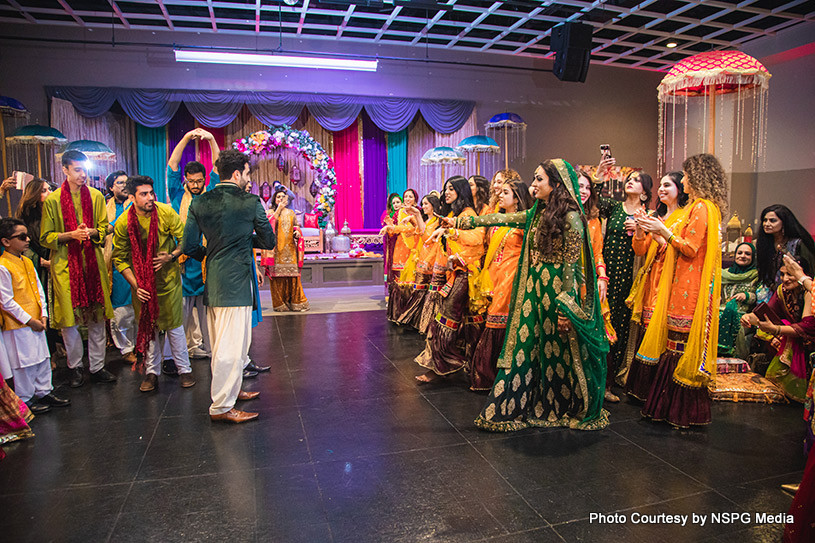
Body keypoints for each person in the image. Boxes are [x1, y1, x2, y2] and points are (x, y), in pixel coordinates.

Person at [448, 159, 609, 431]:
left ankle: (560, 405)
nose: (533, 185)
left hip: (557, 296)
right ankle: (516, 403)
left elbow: (572, 268)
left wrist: (565, 309)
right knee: (527, 346)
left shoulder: (571, 219)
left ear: (556, 184)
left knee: (557, 351)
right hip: (533, 291)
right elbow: (504, 218)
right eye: (534, 179)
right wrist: (468, 221)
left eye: (539, 180)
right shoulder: (538, 212)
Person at [182, 149, 276, 424]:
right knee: (231, 348)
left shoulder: (199, 203)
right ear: (237, 174)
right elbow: (268, 241)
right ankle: (222, 407)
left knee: (229, 343)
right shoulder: (249, 202)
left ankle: (231, 392)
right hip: (236, 283)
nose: (248, 179)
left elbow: (189, 246)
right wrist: (245, 241)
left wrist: (211, 254)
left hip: (213, 280)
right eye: (247, 174)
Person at [635, 153, 727, 428]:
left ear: (697, 177)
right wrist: (656, 231)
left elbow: (690, 247)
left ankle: (679, 411)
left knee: (679, 345)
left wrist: (663, 230)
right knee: (675, 344)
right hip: (682, 281)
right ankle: (675, 410)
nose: (684, 179)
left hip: (688, 286)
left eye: (686, 175)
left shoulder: (702, 208)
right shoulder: (696, 208)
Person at [40, 150, 116, 388]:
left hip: (92, 263)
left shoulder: (95, 196)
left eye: (85, 170)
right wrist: (70, 235)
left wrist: (93, 232)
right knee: (69, 321)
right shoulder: (52, 201)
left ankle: (97, 366)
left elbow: (104, 229)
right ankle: (75, 367)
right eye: (77, 170)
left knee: (96, 316)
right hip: (65, 265)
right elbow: (45, 237)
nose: (83, 175)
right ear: (65, 170)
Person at [112, 176, 194, 392]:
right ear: (132, 198)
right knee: (149, 329)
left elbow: (185, 239)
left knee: (175, 328)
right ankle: (151, 372)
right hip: (142, 287)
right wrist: (136, 285)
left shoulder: (165, 212)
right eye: (143, 194)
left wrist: (172, 256)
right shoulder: (123, 223)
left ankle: (184, 370)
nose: (150, 198)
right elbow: (119, 258)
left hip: (169, 283)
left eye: (151, 193)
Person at [624, 171, 688, 401]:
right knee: (647, 327)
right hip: (652, 278)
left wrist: (661, 235)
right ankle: (644, 389)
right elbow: (640, 250)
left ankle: (660, 393)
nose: (661, 189)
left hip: (672, 280)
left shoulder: (685, 217)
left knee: (663, 332)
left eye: (667, 185)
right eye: (660, 185)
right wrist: (641, 229)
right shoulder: (655, 215)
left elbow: (683, 249)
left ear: (680, 189)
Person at [415, 176, 485, 383]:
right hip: (452, 273)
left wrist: (452, 233)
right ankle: (448, 364)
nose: (447, 193)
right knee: (450, 319)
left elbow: (477, 240)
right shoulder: (453, 214)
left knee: (445, 319)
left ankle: (443, 366)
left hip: (467, 273)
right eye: (446, 189)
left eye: (452, 189)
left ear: (461, 192)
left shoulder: (469, 214)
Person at [593, 158, 653, 391]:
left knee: (624, 323)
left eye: (637, 180)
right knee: (606, 319)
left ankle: (617, 375)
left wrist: (640, 229)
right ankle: (601, 375)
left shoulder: (650, 215)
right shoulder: (615, 208)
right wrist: (599, 173)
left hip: (632, 273)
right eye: (629, 179)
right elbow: (593, 199)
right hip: (608, 271)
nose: (631, 182)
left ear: (645, 193)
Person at [0, 218, 70, 414]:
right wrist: (29, 320)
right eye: (22, 237)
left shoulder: (28, 261)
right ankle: (26, 398)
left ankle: (44, 390)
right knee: (24, 363)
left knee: (41, 357)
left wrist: (44, 315)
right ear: (6, 241)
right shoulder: (3, 266)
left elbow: (39, 290)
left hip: (37, 319)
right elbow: (6, 301)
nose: (27, 240)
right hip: (19, 324)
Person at [469, 179, 532, 391]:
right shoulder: (500, 220)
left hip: (512, 277)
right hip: (494, 276)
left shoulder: (523, 222)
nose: (501, 196)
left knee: (499, 321)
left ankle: (494, 375)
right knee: (492, 318)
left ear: (517, 198)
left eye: (506, 192)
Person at [168, 128, 220, 360]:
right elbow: (172, 165)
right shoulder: (178, 195)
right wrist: (186, 137)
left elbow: (218, 167)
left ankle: (213, 352)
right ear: (185, 181)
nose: (196, 185)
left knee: (209, 317)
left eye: (199, 181)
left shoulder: (211, 195)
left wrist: (211, 140)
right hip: (183, 264)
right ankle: (179, 357)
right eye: (192, 181)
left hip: (207, 265)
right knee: (181, 317)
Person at [740, 260, 814, 403]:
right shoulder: (783, 291)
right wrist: (748, 317)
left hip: (809, 342)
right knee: (770, 331)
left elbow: (807, 327)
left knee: (783, 331)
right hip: (793, 336)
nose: (785, 279)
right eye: (782, 274)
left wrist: (777, 329)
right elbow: (767, 313)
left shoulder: (809, 292)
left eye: (790, 274)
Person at [15, 178, 61, 356]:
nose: (49, 193)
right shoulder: (25, 218)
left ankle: (58, 345)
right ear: (34, 195)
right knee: (43, 307)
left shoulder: (53, 214)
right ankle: (47, 352)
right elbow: (25, 247)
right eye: (44, 190)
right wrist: (41, 260)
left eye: (49, 189)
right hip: (38, 268)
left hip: (55, 264)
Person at [103, 170, 137, 366]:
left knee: (137, 306)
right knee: (122, 310)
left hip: (136, 259)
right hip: (114, 263)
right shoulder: (104, 207)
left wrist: (112, 226)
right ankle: (126, 348)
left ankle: (140, 343)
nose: (124, 186)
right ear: (111, 187)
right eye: (119, 183)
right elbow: (103, 228)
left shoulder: (135, 204)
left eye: (126, 182)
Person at [397, 194, 442, 332]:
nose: (424, 206)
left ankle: (426, 323)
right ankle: (417, 320)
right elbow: (416, 232)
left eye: (426, 204)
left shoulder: (437, 222)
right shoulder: (427, 220)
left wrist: (415, 215)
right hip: (422, 257)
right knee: (420, 291)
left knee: (428, 293)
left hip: (432, 259)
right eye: (423, 204)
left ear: (434, 205)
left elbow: (427, 237)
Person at [263, 188, 309, 312]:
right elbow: (268, 225)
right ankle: (279, 304)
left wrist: (297, 232)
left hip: (290, 249)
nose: (281, 199)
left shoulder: (291, 213)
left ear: (287, 199)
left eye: (283, 197)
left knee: (293, 277)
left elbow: (296, 226)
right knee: (277, 279)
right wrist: (278, 209)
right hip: (276, 250)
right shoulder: (270, 212)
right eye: (278, 197)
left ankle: (296, 302)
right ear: (274, 199)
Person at [756, 204, 815, 298]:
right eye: (765, 220)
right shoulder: (765, 244)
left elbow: (810, 271)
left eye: (772, 220)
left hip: (798, 294)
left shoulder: (799, 243)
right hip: (772, 294)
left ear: (784, 223)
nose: (766, 224)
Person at [380, 189, 419, 322]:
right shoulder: (399, 213)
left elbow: (415, 229)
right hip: (400, 247)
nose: (408, 199)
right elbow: (394, 233)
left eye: (410, 196)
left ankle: (412, 313)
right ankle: (400, 312)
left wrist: (394, 228)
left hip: (414, 248)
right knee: (400, 279)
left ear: (415, 199)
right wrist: (389, 227)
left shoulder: (418, 212)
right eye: (406, 196)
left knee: (412, 279)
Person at [718, 242, 758, 358]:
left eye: (747, 254)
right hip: (720, 312)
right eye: (739, 253)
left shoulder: (755, 275)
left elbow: (760, 297)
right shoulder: (723, 273)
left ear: (753, 257)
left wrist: (747, 296)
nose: (743, 256)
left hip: (744, 316)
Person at [382, 193, 402, 285]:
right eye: (393, 203)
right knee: (391, 261)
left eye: (398, 202)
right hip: (391, 242)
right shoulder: (388, 215)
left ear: (402, 203)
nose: (396, 205)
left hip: (402, 242)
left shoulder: (404, 214)